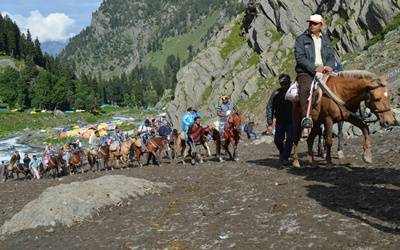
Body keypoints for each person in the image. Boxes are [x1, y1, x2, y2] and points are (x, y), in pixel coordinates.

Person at [294, 14, 335, 128]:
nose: (312, 25)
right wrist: (314, 68)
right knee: (306, 88)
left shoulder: (326, 39)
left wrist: (330, 66)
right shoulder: (301, 39)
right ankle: (306, 117)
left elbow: (331, 56)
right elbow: (300, 58)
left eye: (315, 23)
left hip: (324, 70)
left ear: (321, 25)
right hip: (306, 72)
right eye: (310, 23)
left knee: (338, 84)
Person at [266, 74, 294, 165]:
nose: (284, 86)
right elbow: (269, 107)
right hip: (280, 121)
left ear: (289, 83)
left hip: (292, 121)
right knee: (277, 140)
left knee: (290, 139)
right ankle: (282, 152)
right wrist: (270, 123)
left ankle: (285, 158)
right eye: (282, 84)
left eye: (285, 83)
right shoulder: (276, 93)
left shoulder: (294, 92)